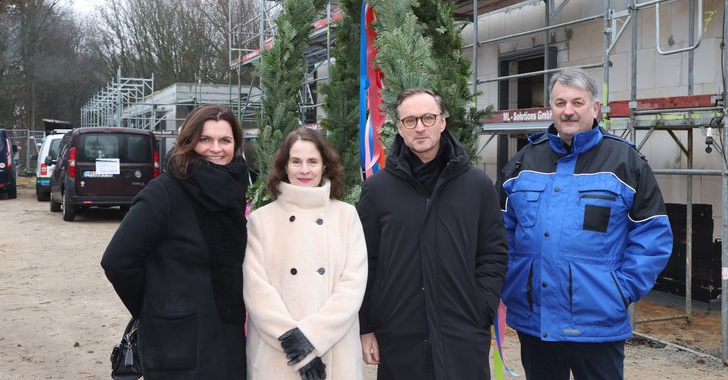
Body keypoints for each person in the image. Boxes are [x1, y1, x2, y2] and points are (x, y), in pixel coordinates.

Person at [496, 69, 673, 380]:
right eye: (560, 102)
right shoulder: (523, 162)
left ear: (595, 108)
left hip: (596, 322)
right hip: (534, 321)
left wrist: (621, 289)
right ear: (550, 107)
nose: (568, 111)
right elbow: (500, 232)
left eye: (578, 102)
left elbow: (653, 235)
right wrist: (513, 279)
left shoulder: (625, 163)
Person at [357, 87, 508, 380]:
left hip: (461, 332)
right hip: (399, 335)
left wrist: (482, 307)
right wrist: (367, 326)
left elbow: (493, 252)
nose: (420, 127)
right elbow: (366, 262)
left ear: (443, 121)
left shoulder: (476, 186)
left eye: (428, 117)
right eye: (410, 121)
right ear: (399, 129)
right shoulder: (378, 191)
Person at [101, 104, 250, 379]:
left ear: (236, 145)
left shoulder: (232, 189)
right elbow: (118, 261)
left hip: (227, 339)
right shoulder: (165, 192)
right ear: (189, 142)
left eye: (225, 140)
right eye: (205, 139)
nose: (215, 148)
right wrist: (154, 305)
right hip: (179, 345)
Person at [243, 127, 368, 380]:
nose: (304, 170)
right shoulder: (261, 221)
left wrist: (312, 337)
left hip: (334, 351)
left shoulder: (346, 216)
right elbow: (256, 290)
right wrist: (294, 344)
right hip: (278, 355)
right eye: (296, 161)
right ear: (284, 167)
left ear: (325, 166)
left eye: (312, 161)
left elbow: (353, 285)